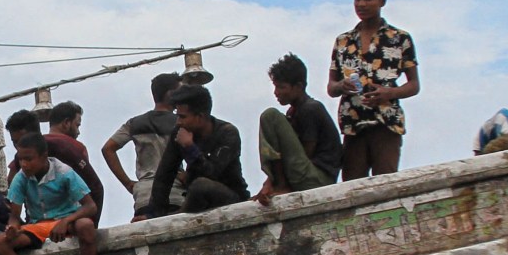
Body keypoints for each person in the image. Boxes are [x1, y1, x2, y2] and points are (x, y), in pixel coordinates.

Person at [327, 0, 420, 180]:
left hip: (386, 125)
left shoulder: (400, 39)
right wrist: (342, 85)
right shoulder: (343, 42)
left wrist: (389, 93)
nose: (361, 4)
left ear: (382, 1)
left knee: (384, 187)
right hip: (353, 128)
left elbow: (414, 85)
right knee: (352, 190)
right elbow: (331, 88)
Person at [147, 84, 248, 215]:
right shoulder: (180, 132)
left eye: (182, 117)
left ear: (200, 117)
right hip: (197, 201)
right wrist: (155, 215)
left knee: (201, 185)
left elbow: (212, 173)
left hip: (231, 199)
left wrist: (190, 148)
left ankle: (181, 215)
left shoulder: (227, 133)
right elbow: (165, 175)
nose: (178, 122)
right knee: (195, 187)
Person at [255, 53, 341, 204]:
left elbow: (305, 153)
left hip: (317, 179)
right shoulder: (292, 112)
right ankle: (277, 184)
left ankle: (281, 185)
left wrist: (281, 185)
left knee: (270, 116)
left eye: (281, 87)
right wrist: (268, 183)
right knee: (275, 119)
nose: (276, 92)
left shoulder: (310, 109)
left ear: (299, 86)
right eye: (275, 86)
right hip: (305, 174)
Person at [102, 72, 185, 219]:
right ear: (170, 94)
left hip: (145, 194)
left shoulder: (135, 123)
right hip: (174, 191)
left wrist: (128, 183)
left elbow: (108, 148)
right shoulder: (181, 122)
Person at [4, 103, 107, 218]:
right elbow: (15, 191)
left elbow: (95, 186)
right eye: (14, 142)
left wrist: (93, 223)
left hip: (71, 219)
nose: (19, 147)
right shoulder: (19, 158)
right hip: (39, 221)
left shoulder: (65, 149)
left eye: (22, 140)